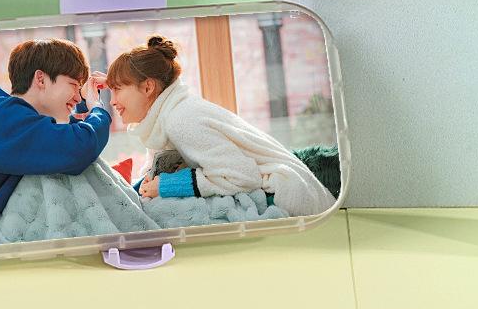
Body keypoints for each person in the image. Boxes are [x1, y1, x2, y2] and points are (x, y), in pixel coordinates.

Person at [106, 35, 335, 217]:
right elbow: (158, 168)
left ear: (147, 87)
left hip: (286, 196)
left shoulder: (181, 120)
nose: (112, 101)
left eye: (117, 89)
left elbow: (243, 176)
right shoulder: (165, 117)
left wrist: (167, 185)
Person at [0, 38, 111, 250]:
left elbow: (66, 138)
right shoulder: (3, 119)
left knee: (61, 160)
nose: (78, 97)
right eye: (74, 85)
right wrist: (97, 109)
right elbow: (79, 147)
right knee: (59, 171)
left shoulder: (5, 114)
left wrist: (85, 109)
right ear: (40, 79)